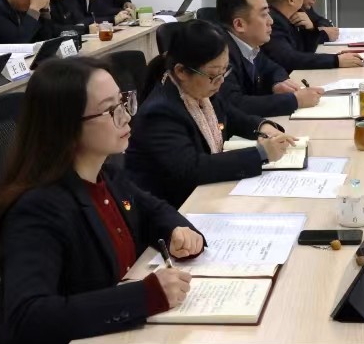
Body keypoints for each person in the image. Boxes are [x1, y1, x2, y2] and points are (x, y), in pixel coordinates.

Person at [0, 57, 205, 344]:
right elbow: (29, 315)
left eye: (123, 102)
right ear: (67, 127)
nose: (125, 117)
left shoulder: (105, 173)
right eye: (109, 110)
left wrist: (175, 230)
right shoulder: (37, 209)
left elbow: (152, 208)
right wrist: (144, 296)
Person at [127, 20, 298, 207]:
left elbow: (232, 116)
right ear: (181, 71)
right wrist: (260, 154)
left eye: (224, 71)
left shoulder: (199, 90)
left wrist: (263, 127)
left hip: (204, 195)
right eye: (214, 74)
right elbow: (192, 169)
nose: (221, 81)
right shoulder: (160, 112)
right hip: (177, 206)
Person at [215, 0, 324, 118]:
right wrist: (295, 100)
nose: (271, 21)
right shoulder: (219, 53)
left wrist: (277, 83)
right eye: (263, 14)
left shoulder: (249, 45)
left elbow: (272, 67)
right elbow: (234, 104)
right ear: (239, 25)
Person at [261, 0, 364, 73]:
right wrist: (336, 60)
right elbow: (290, 59)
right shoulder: (273, 23)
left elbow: (306, 51)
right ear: (291, 0)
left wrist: (310, 29)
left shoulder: (292, 15)